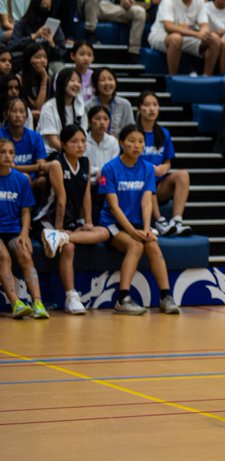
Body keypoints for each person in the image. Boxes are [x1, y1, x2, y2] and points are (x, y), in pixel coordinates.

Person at [97, 124, 180, 315]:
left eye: (141, 141)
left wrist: (146, 228)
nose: (136, 145)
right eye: (131, 141)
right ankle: (122, 299)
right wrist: (133, 232)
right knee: (136, 245)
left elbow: (146, 202)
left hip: (137, 224)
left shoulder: (147, 169)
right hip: (113, 224)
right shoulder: (110, 169)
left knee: (152, 243)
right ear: (121, 143)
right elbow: (114, 206)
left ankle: (166, 297)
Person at [35, 123, 110, 314]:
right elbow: (61, 200)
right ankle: (71, 296)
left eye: (83, 141)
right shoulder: (57, 164)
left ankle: (62, 237)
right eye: (74, 141)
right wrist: (58, 227)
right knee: (69, 248)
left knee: (102, 232)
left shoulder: (85, 162)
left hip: (71, 222)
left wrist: (88, 222)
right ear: (63, 144)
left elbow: (86, 195)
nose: (80, 145)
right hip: (48, 219)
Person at [0, 137, 47, 319]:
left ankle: (38, 303)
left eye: (11, 152)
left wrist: (24, 233)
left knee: (25, 254)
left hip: (13, 230)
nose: (7, 156)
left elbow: (26, 211)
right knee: (3, 256)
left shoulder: (21, 179)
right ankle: (16, 303)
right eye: (2, 152)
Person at [134, 91, 192, 236]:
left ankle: (177, 220)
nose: (151, 109)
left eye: (155, 105)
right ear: (139, 109)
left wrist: (164, 168)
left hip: (159, 185)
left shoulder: (163, 133)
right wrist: (149, 168)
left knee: (183, 175)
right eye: (147, 105)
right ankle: (160, 221)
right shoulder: (133, 132)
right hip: (137, 186)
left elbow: (168, 161)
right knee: (149, 177)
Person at [149, 0, 221, 76]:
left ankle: (207, 77)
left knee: (214, 39)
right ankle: (172, 78)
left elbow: (204, 25)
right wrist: (197, 34)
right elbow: (169, 27)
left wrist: (204, 32)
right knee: (176, 38)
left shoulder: (199, 1)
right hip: (161, 36)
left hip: (187, 37)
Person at [38, 69, 87, 151]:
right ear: (62, 82)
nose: (76, 84)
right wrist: (72, 152)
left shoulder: (80, 107)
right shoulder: (49, 107)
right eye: (72, 80)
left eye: (79, 81)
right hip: (52, 153)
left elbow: (83, 136)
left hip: (75, 153)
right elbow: (52, 141)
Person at [88, 67, 135, 135]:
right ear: (95, 84)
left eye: (110, 79)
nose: (107, 83)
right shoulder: (88, 106)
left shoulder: (125, 104)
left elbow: (131, 130)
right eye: (102, 80)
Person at [84, 105, 118, 179]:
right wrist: (100, 171)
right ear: (89, 122)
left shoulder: (113, 141)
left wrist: (103, 172)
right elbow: (82, 166)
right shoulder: (83, 141)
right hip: (87, 180)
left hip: (108, 180)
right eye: (97, 119)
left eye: (105, 119)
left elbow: (115, 165)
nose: (102, 122)